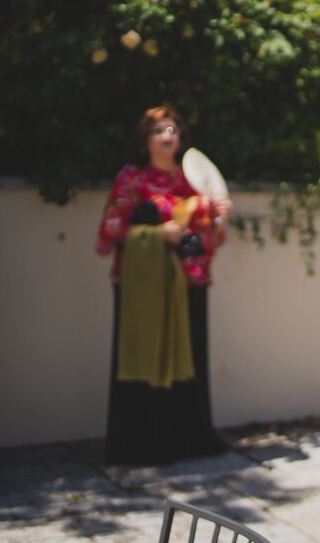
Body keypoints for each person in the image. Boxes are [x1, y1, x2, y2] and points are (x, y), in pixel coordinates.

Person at [95, 107, 230, 466]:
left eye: (172, 129)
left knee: (190, 360)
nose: (167, 135)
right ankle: (143, 444)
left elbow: (203, 241)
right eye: (158, 130)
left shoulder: (193, 183)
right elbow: (110, 231)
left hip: (189, 280)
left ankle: (190, 438)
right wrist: (158, 234)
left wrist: (215, 220)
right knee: (144, 355)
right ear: (145, 139)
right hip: (143, 285)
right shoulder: (132, 179)